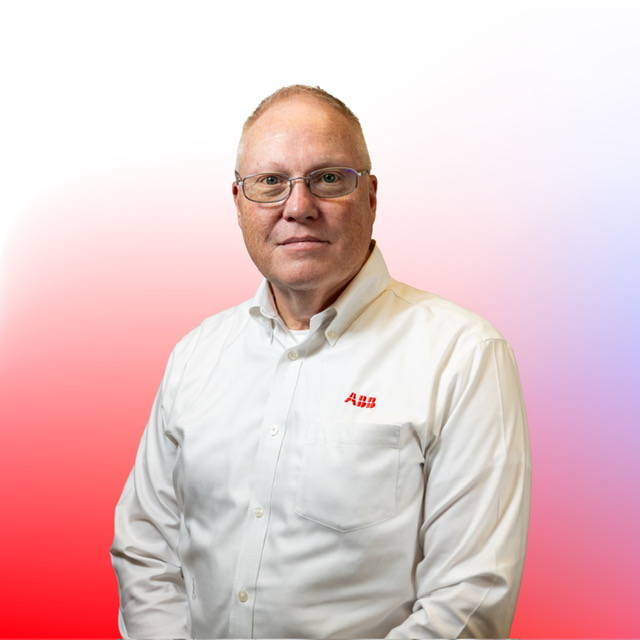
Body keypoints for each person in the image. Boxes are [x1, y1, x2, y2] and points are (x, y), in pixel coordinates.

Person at [110, 85, 531, 639]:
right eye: (270, 182)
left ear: (371, 196)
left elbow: (471, 597)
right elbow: (146, 549)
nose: (298, 206)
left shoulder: (463, 356)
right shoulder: (196, 355)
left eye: (328, 178)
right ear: (238, 202)